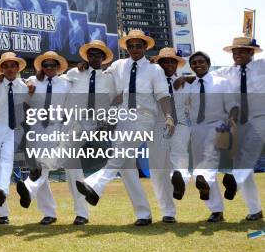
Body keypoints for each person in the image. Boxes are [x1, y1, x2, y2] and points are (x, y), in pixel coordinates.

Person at [76, 29, 175, 226]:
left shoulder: (155, 70)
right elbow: (100, 74)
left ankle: (94, 185)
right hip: (122, 118)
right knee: (127, 168)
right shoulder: (118, 65)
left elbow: (163, 95)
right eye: (131, 46)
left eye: (139, 45)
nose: (134, 49)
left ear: (145, 47)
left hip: (144, 117)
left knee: (119, 155)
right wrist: (84, 65)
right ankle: (143, 214)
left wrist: (169, 116)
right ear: (126, 47)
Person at [58, 40, 117, 225]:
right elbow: (56, 84)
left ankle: (93, 187)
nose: (94, 57)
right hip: (74, 124)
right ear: (86, 57)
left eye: (98, 55)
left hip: (97, 125)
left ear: (103, 58)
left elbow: (115, 101)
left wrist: (109, 121)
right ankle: (81, 213)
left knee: (110, 160)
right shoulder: (75, 73)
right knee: (71, 167)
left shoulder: (109, 77)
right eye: (90, 54)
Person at [16, 50, 70, 226]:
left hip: (54, 127)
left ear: (58, 67)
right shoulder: (32, 82)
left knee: (43, 164)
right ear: (42, 67)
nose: (49, 68)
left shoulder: (66, 84)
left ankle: (29, 188)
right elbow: (20, 97)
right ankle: (49, 212)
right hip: (35, 127)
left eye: (53, 65)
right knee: (39, 167)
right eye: (46, 65)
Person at [212, 37, 264, 221]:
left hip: (260, 118)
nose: (237, 55)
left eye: (242, 51)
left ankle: (232, 179)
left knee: (246, 155)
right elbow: (205, 77)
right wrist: (187, 77)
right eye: (235, 52)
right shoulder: (225, 73)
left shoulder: (262, 66)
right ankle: (255, 210)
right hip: (239, 123)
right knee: (244, 165)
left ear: (252, 52)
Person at [185, 51, 238, 222]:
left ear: (208, 63)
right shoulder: (190, 86)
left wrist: (232, 122)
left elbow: (233, 106)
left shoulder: (221, 83)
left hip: (218, 126)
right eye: (194, 63)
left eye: (201, 62)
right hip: (196, 130)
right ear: (191, 66)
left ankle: (217, 179)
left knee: (207, 165)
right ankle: (216, 210)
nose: (198, 65)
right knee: (204, 170)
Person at [150, 47, 190, 223]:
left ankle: (180, 180)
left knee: (180, 159)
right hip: (158, 126)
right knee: (158, 171)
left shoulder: (185, 83)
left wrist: (188, 77)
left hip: (180, 125)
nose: (168, 64)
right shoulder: (151, 81)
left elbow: (205, 80)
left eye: (172, 61)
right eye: (164, 61)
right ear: (158, 64)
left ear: (177, 64)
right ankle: (168, 212)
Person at [0, 52, 28, 224]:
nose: (10, 69)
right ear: (1, 69)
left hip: (15, 129)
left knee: (7, 159)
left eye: (13, 66)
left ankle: (1, 189)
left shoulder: (25, 86)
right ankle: (2, 212)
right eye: (6, 66)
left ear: (18, 68)